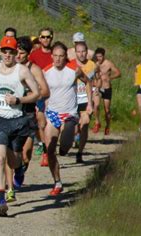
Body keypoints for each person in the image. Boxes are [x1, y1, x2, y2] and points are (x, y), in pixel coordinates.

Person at [0, 36, 39, 216]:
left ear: (15, 53)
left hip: (17, 121)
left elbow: (36, 94)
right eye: (4, 51)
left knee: (14, 160)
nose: (7, 55)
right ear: (0, 52)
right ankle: (1, 199)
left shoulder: (22, 71)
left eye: (11, 51)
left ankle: (19, 169)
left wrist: (18, 99)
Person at [43, 41, 88, 196]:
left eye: (61, 56)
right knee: (49, 150)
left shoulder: (74, 70)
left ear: (65, 57)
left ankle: (65, 146)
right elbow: (40, 90)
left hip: (69, 114)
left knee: (64, 149)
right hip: (52, 114)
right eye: (55, 56)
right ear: (51, 56)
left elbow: (88, 82)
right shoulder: (46, 72)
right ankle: (57, 182)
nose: (58, 59)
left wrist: (89, 104)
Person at [14, 36, 50, 188]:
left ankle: (21, 171)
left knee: (26, 154)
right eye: (16, 52)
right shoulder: (10, 67)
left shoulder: (34, 69)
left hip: (28, 113)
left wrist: (32, 97)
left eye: (21, 53)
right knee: (12, 149)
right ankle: (12, 177)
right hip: (12, 112)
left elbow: (46, 91)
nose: (17, 56)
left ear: (28, 54)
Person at [28, 27, 54, 166]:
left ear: (52, 38)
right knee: (41, 123)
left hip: (55, 93)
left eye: (48, 37)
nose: (45, 39)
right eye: (43, 37)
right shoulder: (34, 55)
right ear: (39, 38)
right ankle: (45, 152)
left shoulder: (56, 54)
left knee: (54, 124)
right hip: (41, 94)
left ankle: (50, 148)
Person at [72, 42, 94, 163]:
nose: (81, 54)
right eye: (79, 51)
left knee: (84, 124)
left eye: (83, 51)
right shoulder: (70, 65)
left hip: (85, 98)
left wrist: (91, 102)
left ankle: (80, 152)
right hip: (73, 99)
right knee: (73, 127)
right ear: (75, 53)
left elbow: (89, 81)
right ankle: (75, 137)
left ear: (87, 52)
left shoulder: (91, 65)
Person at [92, 47, 121, 135]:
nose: (98, 58)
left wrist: (110, 77)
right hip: (97, 87)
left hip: (107, 88)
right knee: (96, 105)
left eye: (100, 56)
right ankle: (97, 122)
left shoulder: (108, 63)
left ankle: (108, 126)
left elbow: (118, 73)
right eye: (97, 56)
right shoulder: (94, 64)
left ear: (103, 56)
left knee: (107, 110)